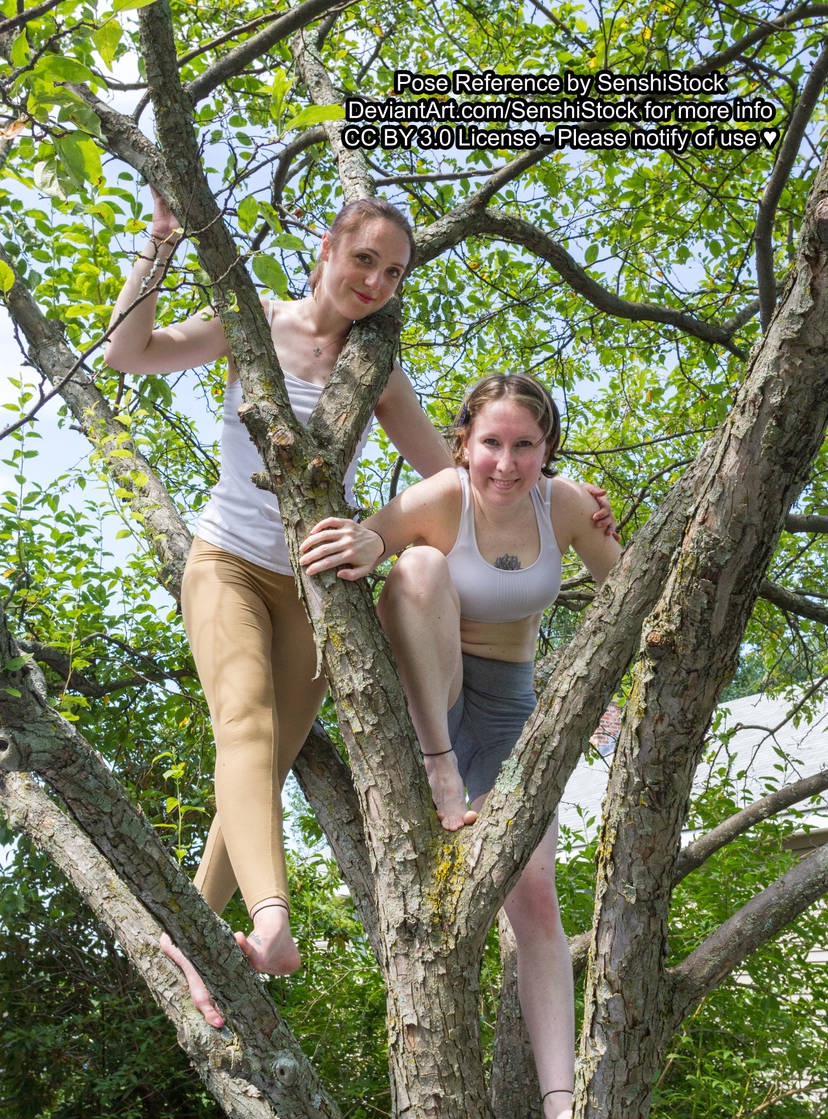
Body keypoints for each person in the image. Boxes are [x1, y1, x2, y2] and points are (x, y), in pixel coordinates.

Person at [105, 192, 616, 1034]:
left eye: (393, 271)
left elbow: (463, 485)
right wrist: (159, 243)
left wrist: (563, 499)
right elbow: (130, 351)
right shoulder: (253, 321)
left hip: (318, 586)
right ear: (327, 246)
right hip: (230, 562)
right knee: (246, 728)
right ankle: (272, 920)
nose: (374, 280)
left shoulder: (375, 372)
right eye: (364, 258)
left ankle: (190, 938)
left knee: (266, 767)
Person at [299, 372, 621, 1119]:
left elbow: (635, 589)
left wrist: (612, 689)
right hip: (429, 700)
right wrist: (374, 541)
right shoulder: (442, 496)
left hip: (513, 710)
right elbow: (367, 546)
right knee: (417, 569)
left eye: (524, 446)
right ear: (463, 444)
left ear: (548, 450)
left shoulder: (568, 505)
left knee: (536, 894)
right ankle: (442, 770)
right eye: (490, 443)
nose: (505, 464)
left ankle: (560, 1105)